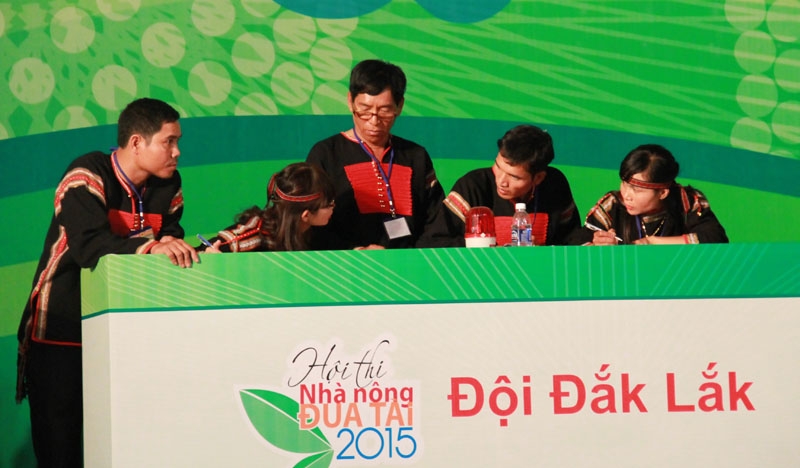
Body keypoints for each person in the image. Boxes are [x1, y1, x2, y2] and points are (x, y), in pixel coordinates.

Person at [16, 97, 199, 467]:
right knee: (61, 448)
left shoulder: (169, 185)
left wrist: (173, 246)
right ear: (136, 143)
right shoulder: (86, 175)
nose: (177, 152)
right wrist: (152, 247)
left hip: (125, 330)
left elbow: (171, 238)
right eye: (169, 142)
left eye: (178, 142)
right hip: (62, 326)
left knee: (128, 442)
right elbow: (89, 248)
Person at [306, 59, 444, 250]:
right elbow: (310, 223)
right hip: (347, 262)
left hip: (408, 262)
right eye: (365, 110)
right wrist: (354, 252)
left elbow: (436, 221)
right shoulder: (326, 154)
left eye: (384, 111)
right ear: (350, 101)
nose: (374, 121)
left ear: (399, 106)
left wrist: (411, 257)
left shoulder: (416, 156)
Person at [417, 124, 581, 247]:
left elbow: (571, 237)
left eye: (514, 177)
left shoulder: (554, 184)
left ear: (538, 178)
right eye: (498, 167)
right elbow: (432, 242)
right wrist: (490, 246)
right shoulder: (472, 185)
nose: (502, 181)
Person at [568, 144, 729, 245]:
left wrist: (653, 242)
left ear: (662, 192)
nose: (627, 195)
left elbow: (715, 238)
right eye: (624, 184)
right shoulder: (613, 204)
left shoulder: (687, 201)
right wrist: (597, 243)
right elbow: (577, 240)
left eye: (637, 190)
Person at [198, 162, 335, 253]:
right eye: (328, 204)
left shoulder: (313, 232)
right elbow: (198, 254)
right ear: (306, 215)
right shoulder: (250, 238)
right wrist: (207, 257)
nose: (334, 206)